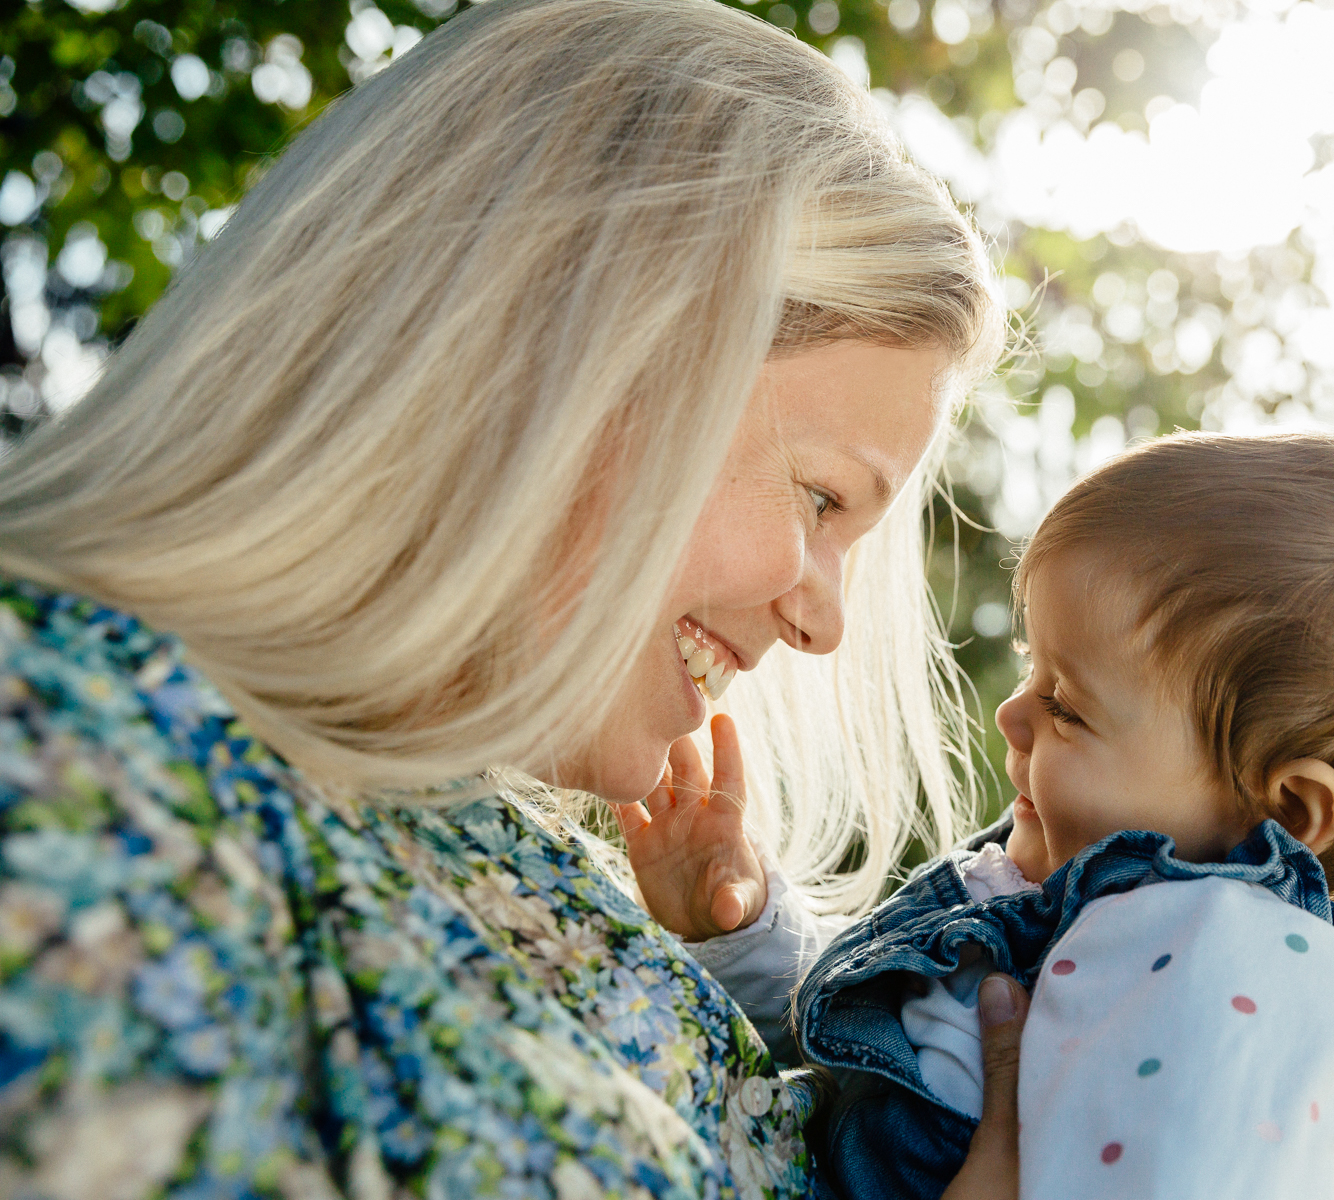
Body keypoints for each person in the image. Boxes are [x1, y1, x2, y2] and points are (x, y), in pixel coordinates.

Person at [0, 1, 1032, 1196]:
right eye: (818, 501)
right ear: (583, 360)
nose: (824, 620)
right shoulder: (69, 777)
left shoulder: (494, 845)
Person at [631, 431, 1334, 1198]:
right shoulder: (1066, 901)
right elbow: (863, 1057)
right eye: (1033, 670)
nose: (1012, 715)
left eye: (1068, 706)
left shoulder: (1232, 989)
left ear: (1285, 809)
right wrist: (745, 930)